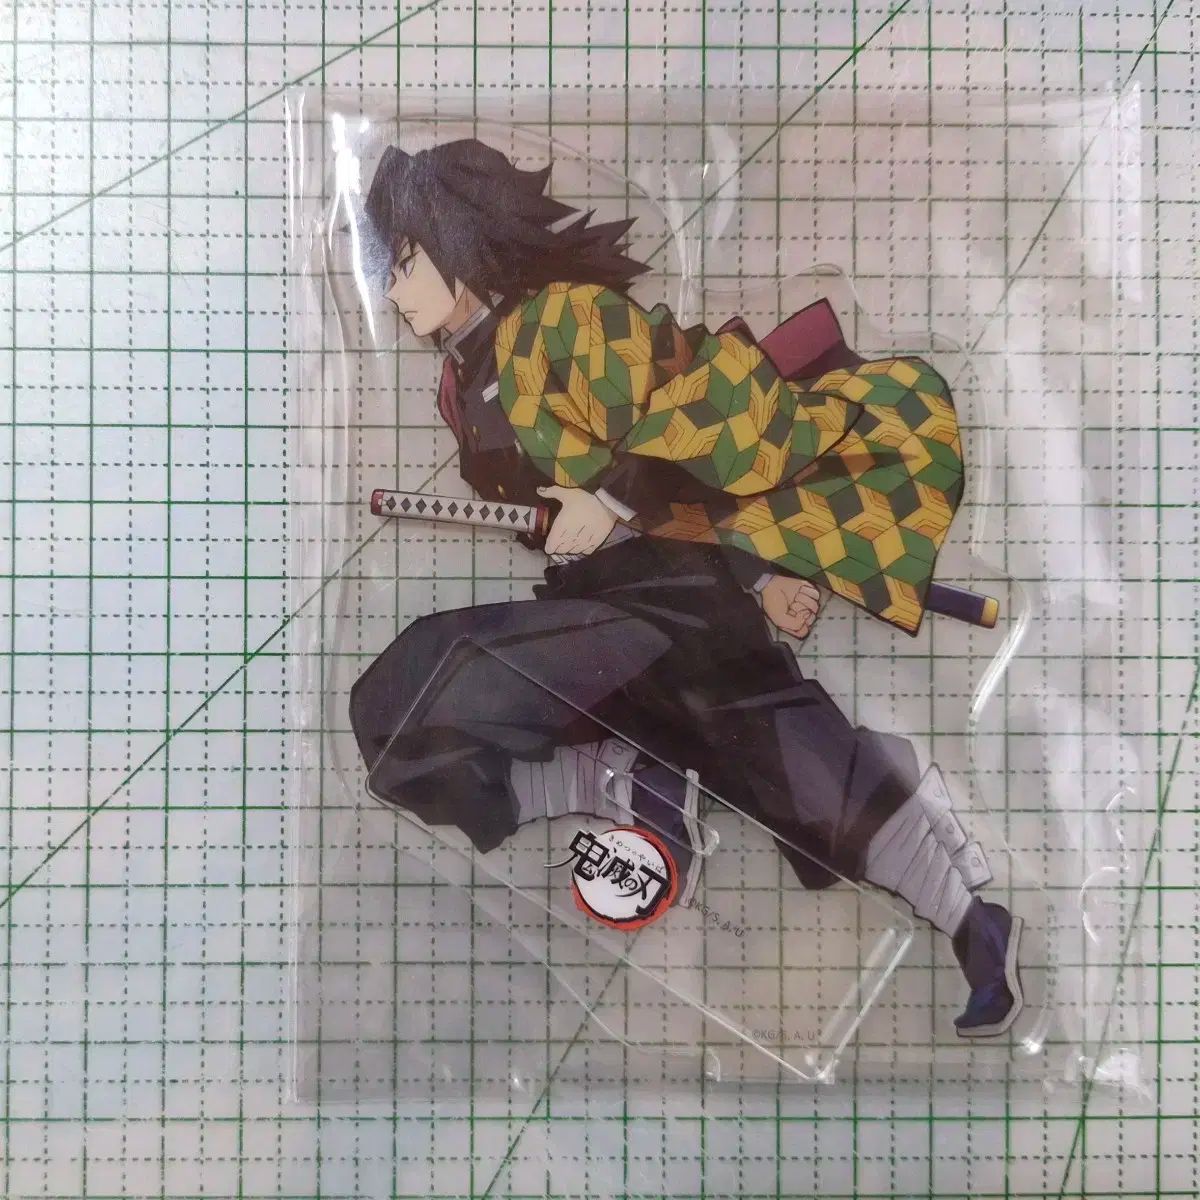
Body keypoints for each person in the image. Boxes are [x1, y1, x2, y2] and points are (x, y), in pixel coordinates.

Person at [348, 138, 1023, 1038]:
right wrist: (569, 518)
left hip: (680, 599)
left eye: (404, 263)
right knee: (405, 704)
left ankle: (974, 924)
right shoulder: (461, 382)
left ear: (456, 243)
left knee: (805, 785)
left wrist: (623, 504)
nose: (392, 292)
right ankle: (631, 776)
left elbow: (713, 416)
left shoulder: (565, 322)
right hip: (597, 603)